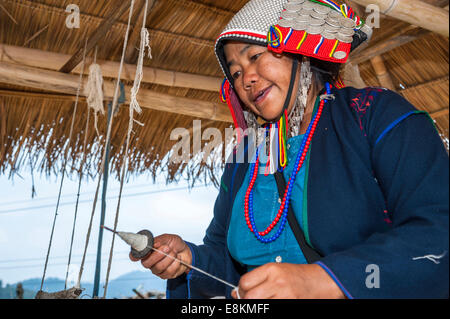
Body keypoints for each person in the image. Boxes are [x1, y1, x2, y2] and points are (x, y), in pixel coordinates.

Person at [130, 0, 449, 299]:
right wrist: (190, 258)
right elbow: (226, 260)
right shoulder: (246, 155)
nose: (247, 80)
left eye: (255, 56)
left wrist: (327, 279)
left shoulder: (377, 115)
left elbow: (438, 232)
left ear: (300, 49)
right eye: (236, 72)